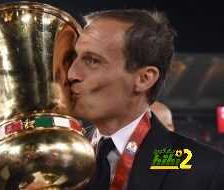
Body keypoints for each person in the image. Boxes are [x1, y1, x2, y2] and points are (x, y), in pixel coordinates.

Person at [67, 9, 224, 190]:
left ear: (144, 79)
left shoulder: (206, 171)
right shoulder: (58, 157)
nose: (71, 74)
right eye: (72, 58)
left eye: (92, 60)